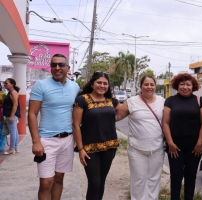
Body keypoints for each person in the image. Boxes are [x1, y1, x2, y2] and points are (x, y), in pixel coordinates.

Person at [28, 54, 80, 200]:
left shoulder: (75, 87)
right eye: (54, 65)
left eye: (61, 65)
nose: (57, 68)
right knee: (46, 182)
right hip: (46, 140)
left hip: (68, 139)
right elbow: (32, 114)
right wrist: (36, 141)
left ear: (68, 68)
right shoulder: (41, 85)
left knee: (58, 178)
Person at [73, 71, 121, 199]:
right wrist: (80, 148)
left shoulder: (111, 101)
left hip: (110, 147)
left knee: (101, 182)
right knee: (94, 183)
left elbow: (123, 112)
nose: (102, 85)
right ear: (92, 84)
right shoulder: (82, 100)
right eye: (99, 82)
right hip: (89, 149)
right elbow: (76, 125)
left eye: (105, 83)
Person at [116, 75, 165, 200]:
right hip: (136, 149)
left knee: (154, 179)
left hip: (157, 148)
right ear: (140, 86)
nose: (149, 87)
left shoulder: (162, 101)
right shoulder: (132, 101)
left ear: (155, 86)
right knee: (138, 180)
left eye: (151, 84)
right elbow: (116, 117)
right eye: (146, 84)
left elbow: (169, 122)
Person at [162, 73, 202, 200]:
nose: (184, 87)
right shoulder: (170, 101)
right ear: (177, 85)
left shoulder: (199, 100)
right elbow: (165, 123)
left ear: (193, 86)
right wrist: (170, 143)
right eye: (182, 84)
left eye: (188, 84)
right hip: (174, 147)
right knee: (176, 177)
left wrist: (199, 144)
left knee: (191, 177)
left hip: (194, 148)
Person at [2, 78, 21, 155]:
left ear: (12, 84)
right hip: (10, 114)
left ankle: (11, 149)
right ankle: (15, 147)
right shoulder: (10, 92)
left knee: (12, 132)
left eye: (6, 83)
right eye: (4, 83)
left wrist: (11, 116)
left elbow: (15, 105)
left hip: (11, 114)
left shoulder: (13, 92)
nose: (5, 84)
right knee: (15, 131)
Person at [0, 83, 7, 152]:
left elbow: (6, 104)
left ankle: (1, 146)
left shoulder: (3, 94)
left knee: (1, 132)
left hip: (1, 115)